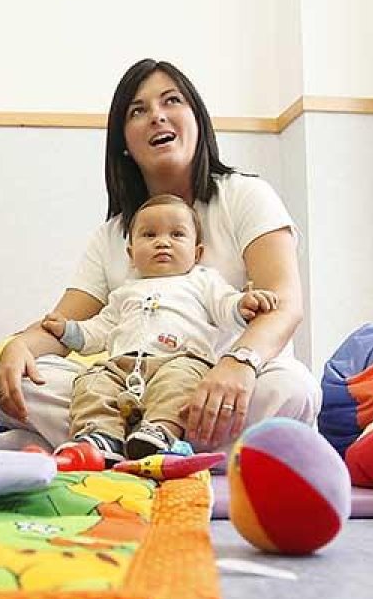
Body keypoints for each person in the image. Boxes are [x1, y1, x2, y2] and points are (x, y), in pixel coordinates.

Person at [0, 58, 321, 453]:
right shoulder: (113, 235)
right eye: (138, 110)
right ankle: (155, 445)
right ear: (124, 143)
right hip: (127, 385)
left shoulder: (244, 195)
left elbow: (284, 304)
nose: (157, 116)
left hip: (229, 382)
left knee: (293, 389)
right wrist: (19, 347)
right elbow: (63, 325)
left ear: (197, 119)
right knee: (15, 380)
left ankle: (103, 445)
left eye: (171, 101)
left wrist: (240, 362)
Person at [40, 194, 278, 462]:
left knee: (180, 383)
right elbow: (100, 329)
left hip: (180, 360)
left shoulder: (203, 281)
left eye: (177, 234)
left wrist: (244, 304)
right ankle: (101, 435)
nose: (162, 242)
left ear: (197, 253)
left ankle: (160, 431)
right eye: (149, 235)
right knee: (91, 381)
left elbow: (225, 304)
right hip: (122, 365)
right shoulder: (124, 292)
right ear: (131, 254)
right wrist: (68, 331)